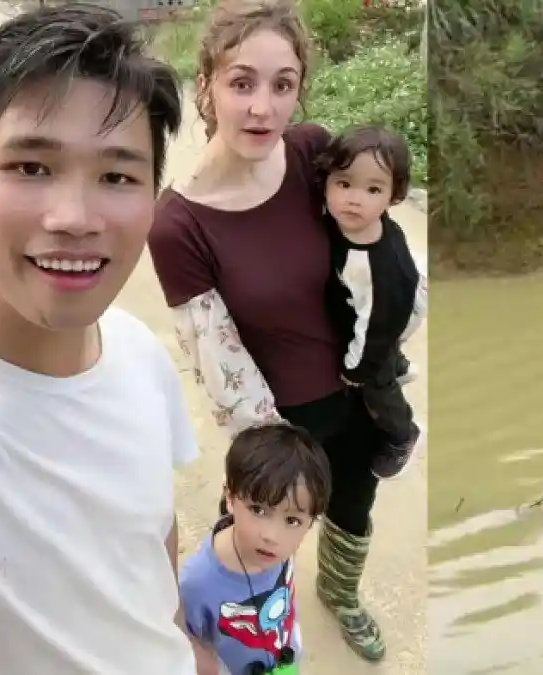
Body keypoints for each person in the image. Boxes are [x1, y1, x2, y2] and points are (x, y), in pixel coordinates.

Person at [0, 4, 194, 674]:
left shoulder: (139, 352)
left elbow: (151, 533)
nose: (74, 218)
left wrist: (181, 641)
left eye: (117, 176)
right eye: (31, 167)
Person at [146, 2, 391, 662]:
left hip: (357, 391)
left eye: (282, 84)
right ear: (207, 85)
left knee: (353, 504)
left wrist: (381, 355)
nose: (263, 107)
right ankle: (237, 631)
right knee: (262, 536)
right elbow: (218, 362)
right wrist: (279, 456)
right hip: (280, 419)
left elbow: (368, 251)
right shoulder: (179, 225)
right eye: (242, 82)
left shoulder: (313, 151)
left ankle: (341, 595)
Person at [318, 124, 426, 481]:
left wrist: (355, 370)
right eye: (344, 183)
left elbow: (377, 326)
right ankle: (397, 363)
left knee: (374, 385)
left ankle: (403, 434)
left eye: (373, 189)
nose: (354, 198)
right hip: (378, 304)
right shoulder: (341, 220)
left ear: (393, 197)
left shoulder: (379, 268)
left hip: (393, 309)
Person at [180, 423, 332, 675]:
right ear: (230, 497)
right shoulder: (197, 584)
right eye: (258, 510)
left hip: (284, 655)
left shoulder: (283, 551)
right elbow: (187, 646)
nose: (271, 537)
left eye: (292, 520)